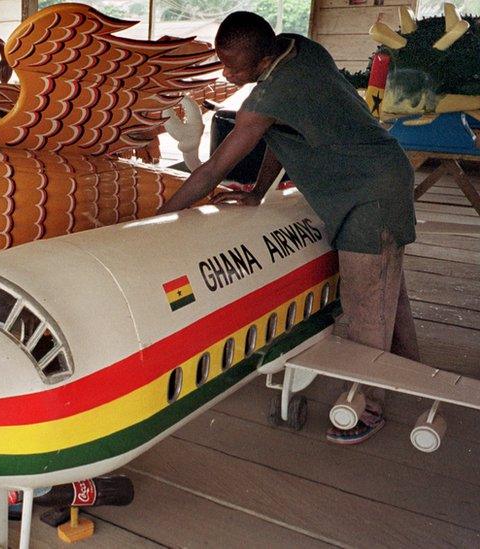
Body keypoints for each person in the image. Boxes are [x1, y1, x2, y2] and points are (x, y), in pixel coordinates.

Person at [158, 11, 421, 444]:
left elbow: (209, 172)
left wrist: (161, 219)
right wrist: (258, 193)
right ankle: (409, 371)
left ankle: (366, 407)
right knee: (386, 287)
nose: (226, 72)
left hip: (368, 192)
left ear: (261, 61)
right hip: (380, 175)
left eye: (233, 65)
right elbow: (285, 136)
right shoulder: (302, 49)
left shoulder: (266, 99)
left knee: (364, 305)